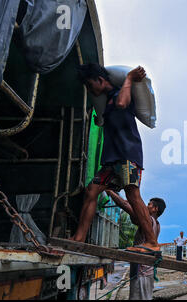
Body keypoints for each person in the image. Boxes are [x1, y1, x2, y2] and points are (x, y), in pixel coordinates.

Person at [71, 63, 160, 253]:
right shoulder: (107, 104)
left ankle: (152, 243)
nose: (89, 89)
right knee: (91, 191)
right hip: (111, 160)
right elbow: (107, 117)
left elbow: (122, 104)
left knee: (132, 195)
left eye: (89, 84)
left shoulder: (120, 94)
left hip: (128, 156)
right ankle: (78, 239)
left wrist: (128, 78)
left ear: (101, 80)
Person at [106, 190, 166, 300]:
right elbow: (128, 204)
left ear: (155, 209)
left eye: (149, 205)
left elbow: (125, 205)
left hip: (141, 269)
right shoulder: (157, 224)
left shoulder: (148, 220)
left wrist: (109, 191)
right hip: (148, 269)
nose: (145, 207)